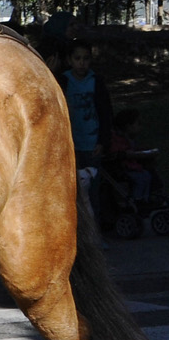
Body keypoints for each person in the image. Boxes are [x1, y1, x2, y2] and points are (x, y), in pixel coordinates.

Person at [61, 38, 113, 223]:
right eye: (77, 58)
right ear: (70, 60)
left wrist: (103, 141)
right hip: (71, 144)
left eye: (85, 58)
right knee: (70, 193)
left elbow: (106, 113)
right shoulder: (63, 80)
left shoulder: (96, 81)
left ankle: (96, 234)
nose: (81, 63)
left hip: (92, 145)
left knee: (93, 192)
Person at [110, 107, 159, 204]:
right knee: (140, 179)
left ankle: (145, 198)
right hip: (124, 168)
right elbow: (121, 152)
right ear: (128, 126)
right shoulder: (117, 140)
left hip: (133, 166)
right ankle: (137, 199)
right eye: (138, 124)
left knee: (147, 176)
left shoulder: (128, 139)